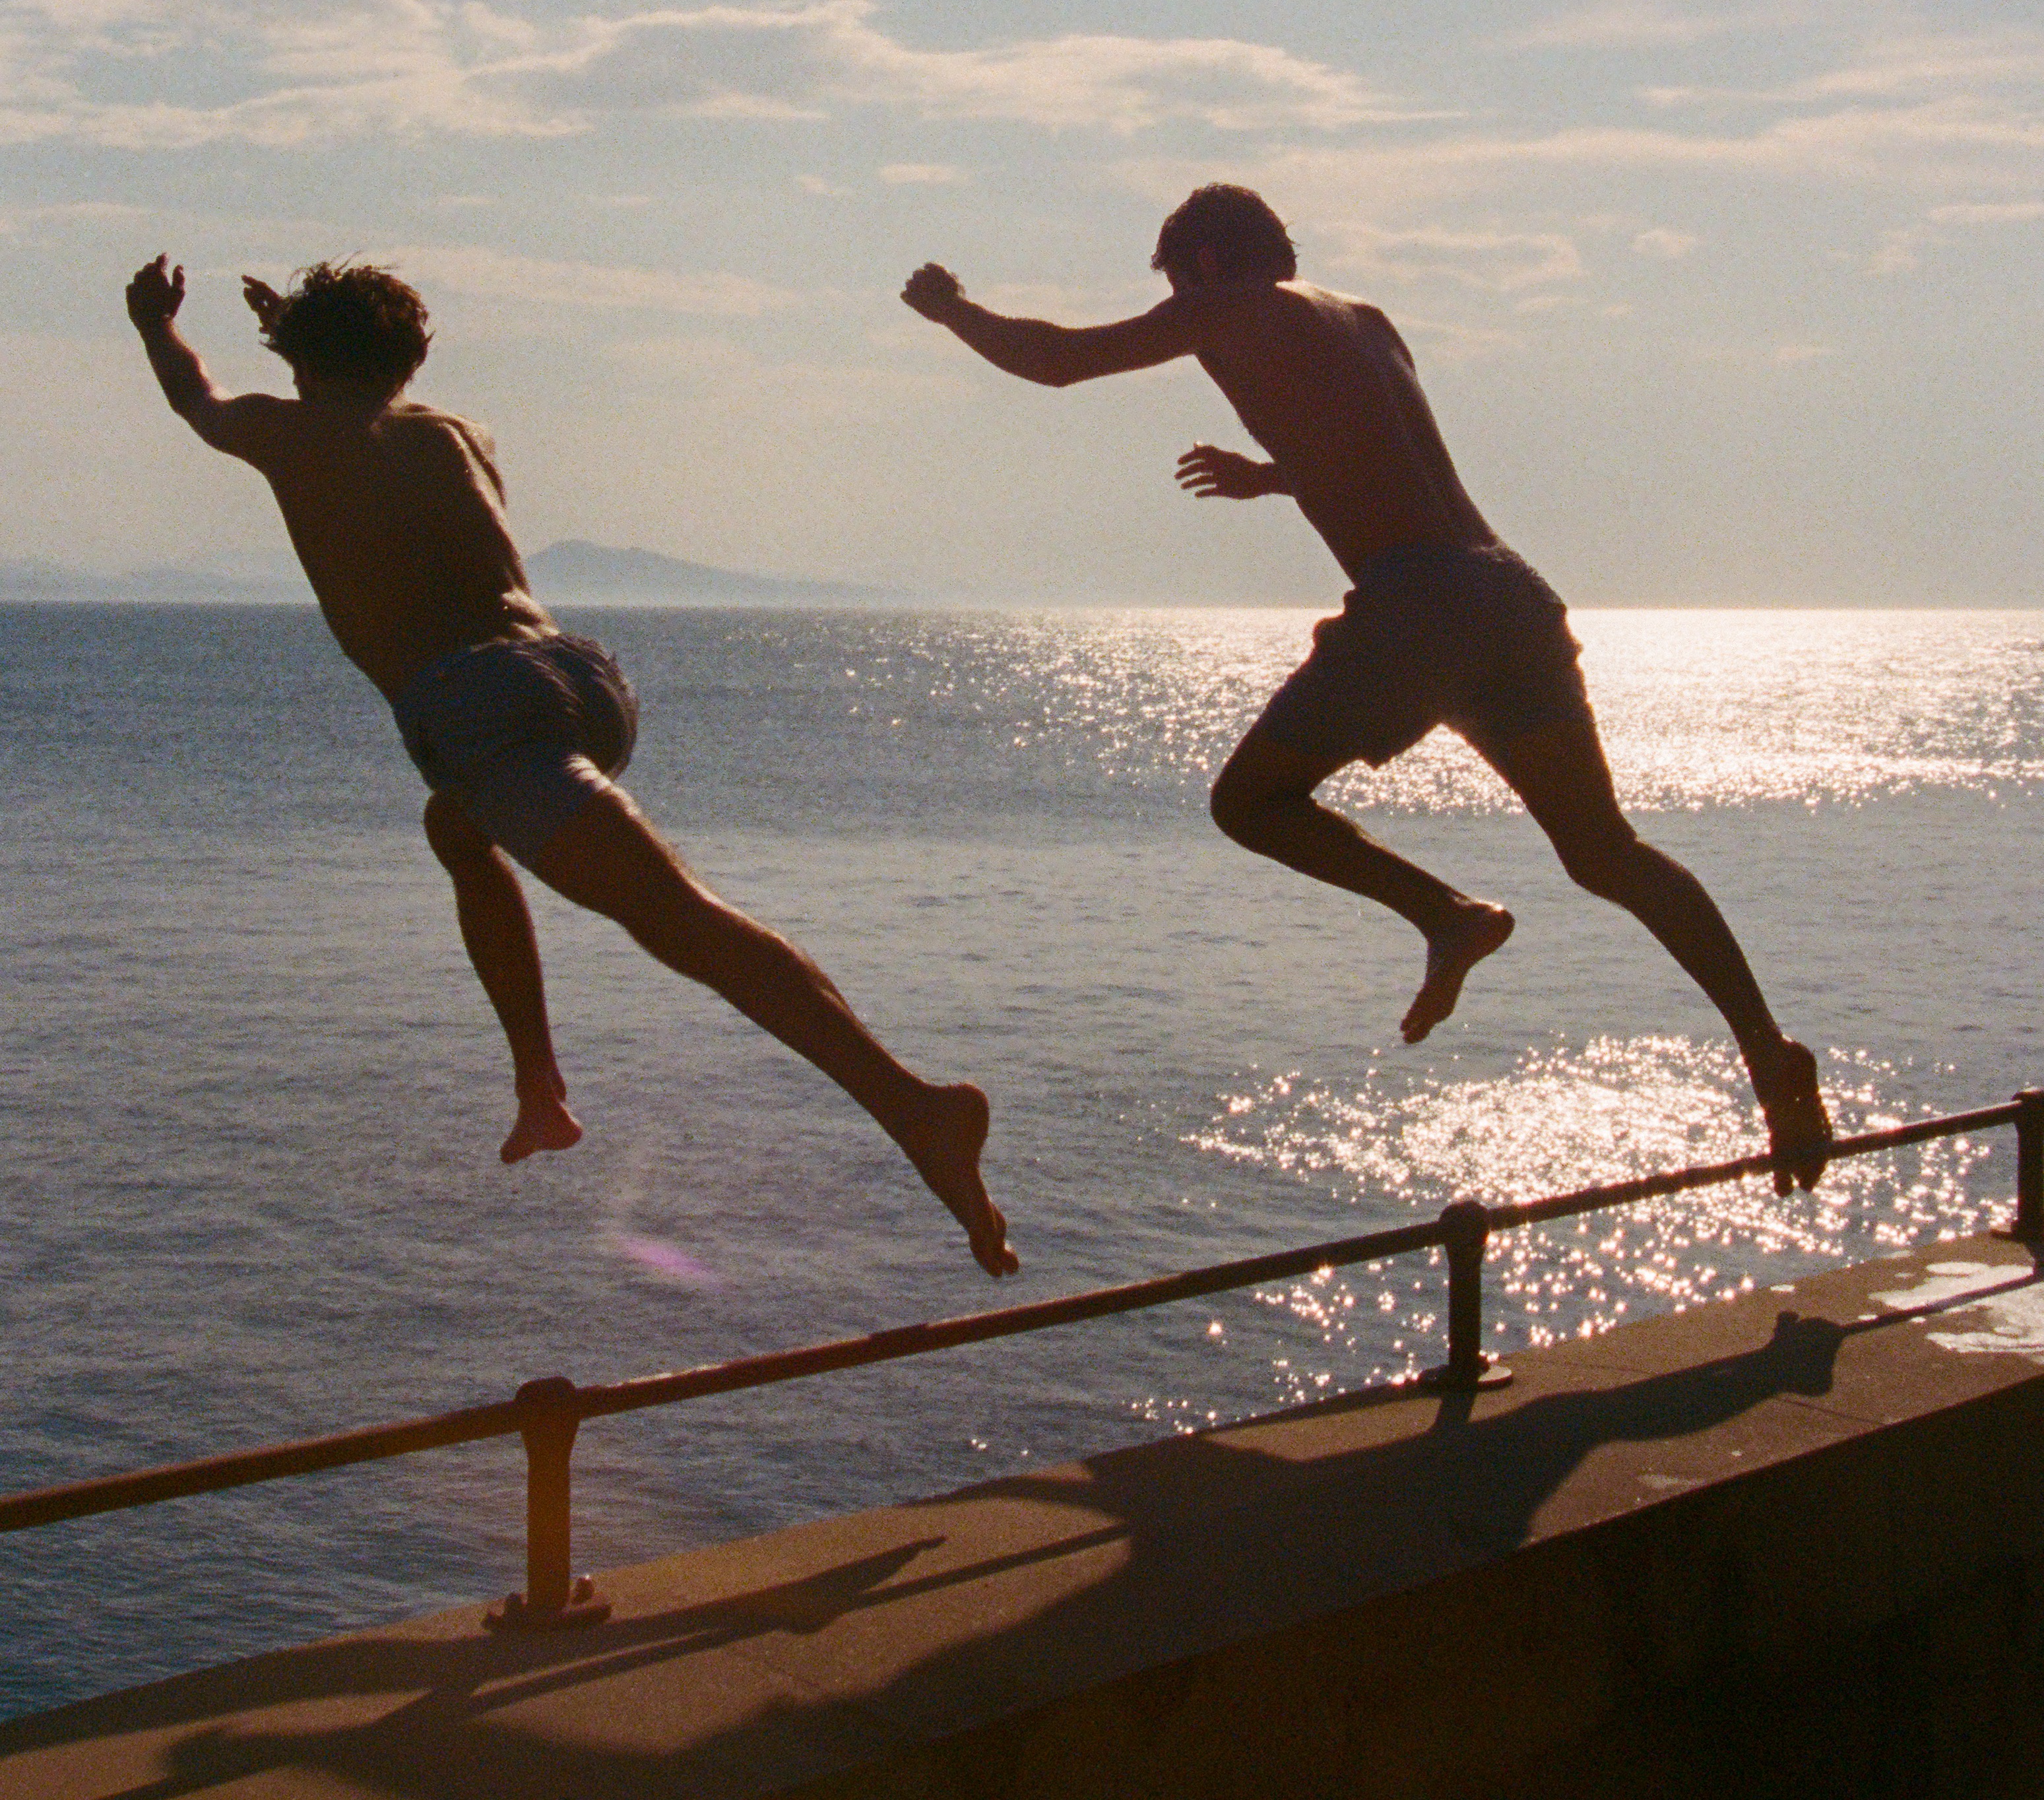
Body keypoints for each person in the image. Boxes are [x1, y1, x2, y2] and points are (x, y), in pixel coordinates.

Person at [903, 185, 1830, 1192]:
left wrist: (953, 309)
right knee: (1607, 853)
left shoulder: (1229, 305)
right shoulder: (1364, 320)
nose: (1181, 310)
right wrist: (1269, 477)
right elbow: (1371, 454)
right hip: (1508, 594)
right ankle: (1766, 1050)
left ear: (1204, 265)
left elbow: (1058, 360)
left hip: (1416, 607)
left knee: (1249, 804)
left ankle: (1447, 916)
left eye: (1176, 285)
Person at [124, 253, 1016, 1275]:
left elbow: (194, 396)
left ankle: (915, 1108)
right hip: (580, 681)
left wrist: (156, 323)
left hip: (475, 708)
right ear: (407, 358)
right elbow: (361, 406)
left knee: (677, 917)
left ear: (300, 364)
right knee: (458, 829)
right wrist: (301, 332)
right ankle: (540, 1090)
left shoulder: (283, 431)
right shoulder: (455, 431)